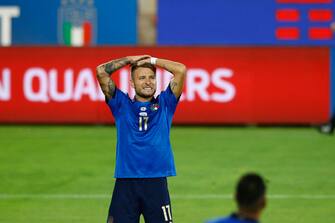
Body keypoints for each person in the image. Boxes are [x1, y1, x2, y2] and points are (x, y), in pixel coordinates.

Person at [96, 55, 187, 223]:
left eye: (152, 77)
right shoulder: (121, 104)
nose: (148, 82)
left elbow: (180, 70)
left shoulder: (166, 104)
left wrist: (152, 60)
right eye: (142, 77)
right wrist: (129, 60)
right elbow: (101, 71)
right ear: (132, 83)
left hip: (156, 183)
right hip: (126, 183)